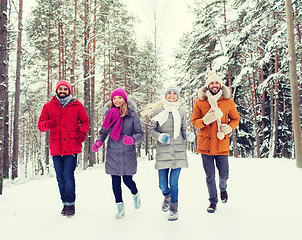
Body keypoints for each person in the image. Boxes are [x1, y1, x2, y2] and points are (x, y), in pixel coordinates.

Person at [38, 80, 90, 217]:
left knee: (68, 175)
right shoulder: (48, 106)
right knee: (60, 177)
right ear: (57, 91)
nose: (62, 91)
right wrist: (47, 123)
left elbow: (85, 121)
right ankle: (64, 203)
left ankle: (71, 204)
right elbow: (40, 125)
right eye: (60, 89)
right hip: (56, 147)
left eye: (65, 89)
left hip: (72, 146)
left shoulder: (77, 105)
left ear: (69, 91)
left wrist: (82, 133)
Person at [191, 71, 240, 213]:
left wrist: (229, 128)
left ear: (220, 85)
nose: (214, 85)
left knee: (224, 174)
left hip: (221, 143)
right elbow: (194, 122)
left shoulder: (228, 101)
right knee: (210, 176)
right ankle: (213, 202)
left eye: (216, 82)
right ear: (208, 85)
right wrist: (205, 120)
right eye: (212, 83)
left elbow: (236, 118)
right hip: (205, 145)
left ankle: (223, 188)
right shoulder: (200, 102)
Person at [92, 88, 144, 219]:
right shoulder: (109, 114)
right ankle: (120, 208)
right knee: (115, 182)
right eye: (114, 98)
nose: (117, 100)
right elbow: (103, 132)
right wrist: (99, 142)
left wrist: (132, 139)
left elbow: (140, 133)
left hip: (128, 154)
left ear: (125, 99)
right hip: (113, 154)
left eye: (119, 98)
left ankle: (135, 193)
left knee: (128, 181)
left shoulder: (132, 116)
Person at [146, 85, 195, 221]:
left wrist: (188, 135)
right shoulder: (159, 111)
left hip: (178, 151)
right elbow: (152, 130)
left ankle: (174, 209)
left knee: (174, 182)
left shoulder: (182, 112)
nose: (172, 95)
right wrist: (160, 136)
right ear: (166, 96)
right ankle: (166, 196)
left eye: (174, 93)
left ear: (177, 96)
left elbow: (183, 130)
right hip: (163, 151)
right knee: (162, 184)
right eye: (170, 93)